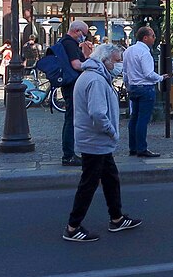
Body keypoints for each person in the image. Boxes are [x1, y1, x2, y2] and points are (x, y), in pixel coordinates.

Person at [63, 43, 141, 242]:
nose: (119, 65)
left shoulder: (93, 76)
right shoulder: (96, 80)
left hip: (96, 140)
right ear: (105, 60)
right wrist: (111, 131)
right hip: (95, 139)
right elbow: (97, 113)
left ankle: (116, 218)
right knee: (89, 183)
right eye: (116, 61)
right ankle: (73, 227)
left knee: (110, 178)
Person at [123, 26, 167, 159]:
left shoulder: (129, 51)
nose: (154, 38)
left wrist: (127, 84)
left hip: (134, 87)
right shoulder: (145, 53)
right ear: (145, 37)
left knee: (134, 118)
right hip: (145, 88)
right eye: (153, 35)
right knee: (143, 119)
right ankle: (142, 148)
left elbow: (125, 71)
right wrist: (161, 77)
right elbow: (148, 74)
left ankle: (133, 147)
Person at [59, 21, 90, 166]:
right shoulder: (70, 43)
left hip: (69, 85)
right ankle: (69, 155)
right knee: (71, 120)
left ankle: (69, 153)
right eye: (83, 34)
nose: (83, 37)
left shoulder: (65, 42)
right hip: (72, 86)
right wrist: (91, 66)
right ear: (77, 31)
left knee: (71, 119)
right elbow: (76, 64)